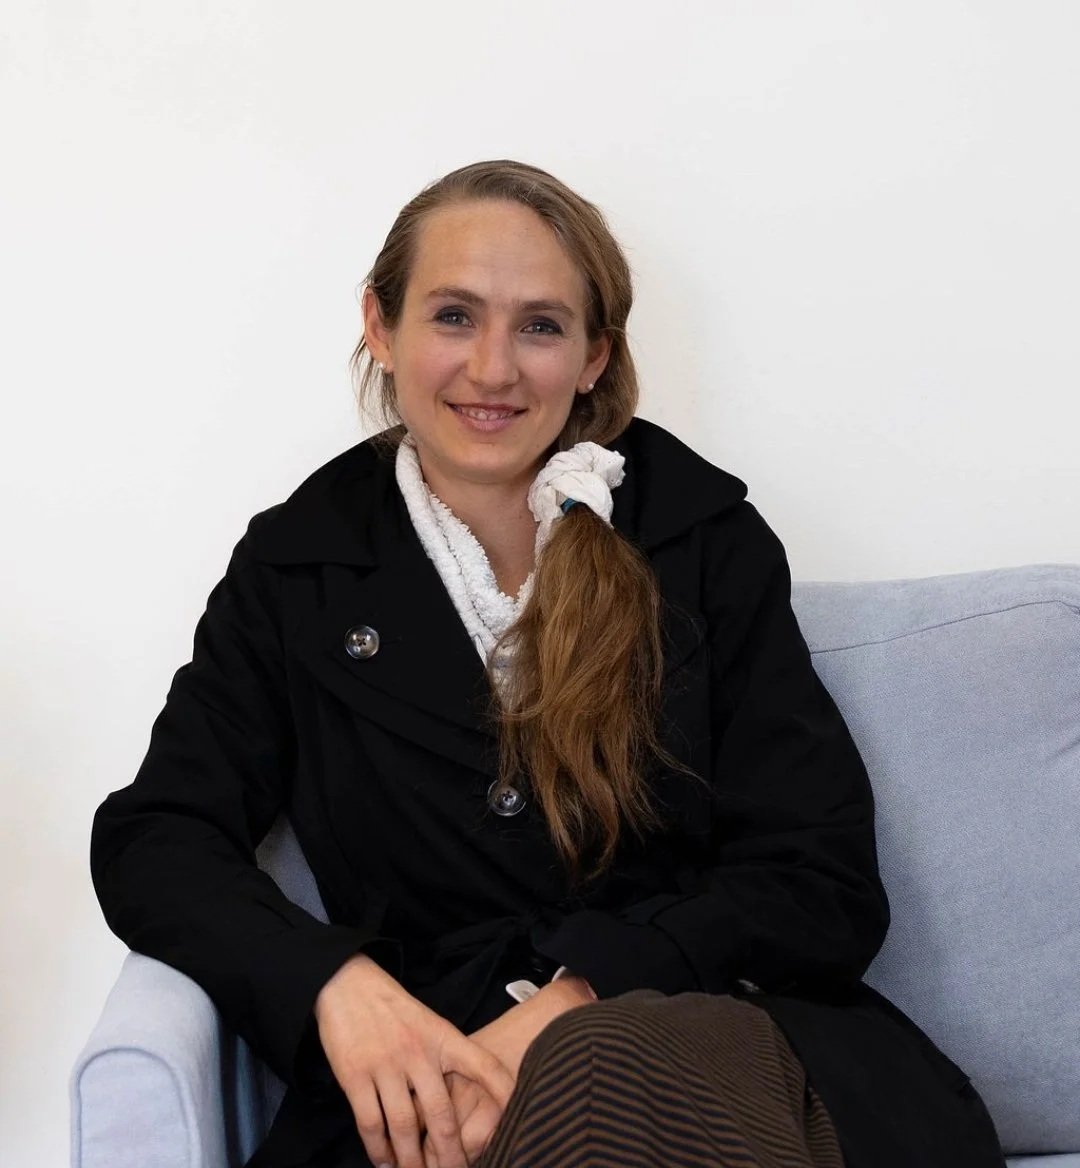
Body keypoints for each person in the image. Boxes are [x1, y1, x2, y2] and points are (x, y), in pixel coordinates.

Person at [91, 159, 1006, 1168]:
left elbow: (818, 879)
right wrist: (335, 986)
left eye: (539, 325)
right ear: (380, 326)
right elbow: (158, 836)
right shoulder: (297, 568)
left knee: (600, 1065)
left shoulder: (704, 541)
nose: (493, 368)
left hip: (707, 1048)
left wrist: (578, 999)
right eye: (453, 316)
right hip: (441, 1093)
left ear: (592, 354)